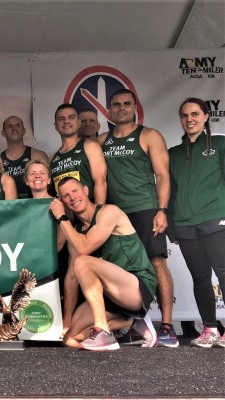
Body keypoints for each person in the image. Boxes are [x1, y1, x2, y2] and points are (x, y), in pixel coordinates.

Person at [98, 89, 177, 347]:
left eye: (126, 104)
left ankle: (166, 326)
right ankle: (134, 325)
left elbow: (163, 175)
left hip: (145, 209)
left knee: (156, 263)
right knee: (122, 270)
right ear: (109, 110)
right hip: (116, 214)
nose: (121, 108)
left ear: (134, 107)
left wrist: (162, 210)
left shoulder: (149, 135)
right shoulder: (101, 140)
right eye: (116, 104)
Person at [51, 177, 158, 351]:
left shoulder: (109, 212)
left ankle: (103, 331)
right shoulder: (76, 233)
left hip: (135, 287)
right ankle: (130, 323)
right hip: (109, 296)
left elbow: (85, 247)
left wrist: (61, 217)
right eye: (66, 196)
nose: (72, 197)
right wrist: (66, 322)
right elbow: (71, 279)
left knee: (82, 261)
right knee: (69, 339)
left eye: (75, 191)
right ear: (62, 201)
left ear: (86, 190)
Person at [168, 98, 225, 348]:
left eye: (194, 114)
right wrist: (172, 226)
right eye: (184, 115)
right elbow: (168, 192)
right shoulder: (173, 154)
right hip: (185, 223)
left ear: (205, 116)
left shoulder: (220, 143)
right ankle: (210, 329)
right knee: (200, 277)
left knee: (223, 272)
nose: (189, 119)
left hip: (215, 217)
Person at [50, 104, 107, 204]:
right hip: (65, 215)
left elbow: (100, 182)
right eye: (61, 119)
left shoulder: (90, 147)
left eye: (71, 117)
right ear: (55, 126)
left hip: (88, 214)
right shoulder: (51, 159)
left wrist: (98, 214)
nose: (66, 121)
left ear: (79, 122)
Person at [0, 116, 49, 199]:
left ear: (24, 131)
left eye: (18, 125)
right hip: (9, 209)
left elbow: (47, 187)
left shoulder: (37, 155)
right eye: (10, 126)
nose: (14, 128)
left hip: (34, 208)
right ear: (3, 133)